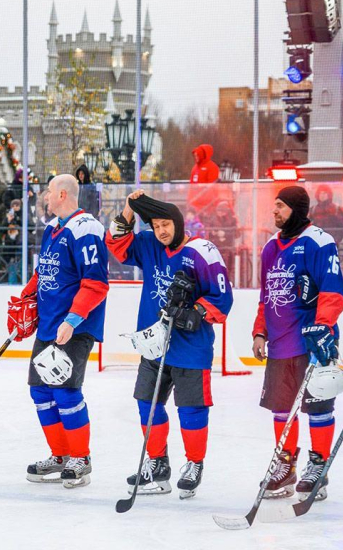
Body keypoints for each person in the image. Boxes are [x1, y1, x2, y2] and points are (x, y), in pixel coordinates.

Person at [105, 190, 233, 499]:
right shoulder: (149, 245)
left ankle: (194, 464)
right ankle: (158, 464)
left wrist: (195, 312)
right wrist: (128, 209)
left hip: (191, 348)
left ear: (177, 222)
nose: (161, 231)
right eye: (156, 226)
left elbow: (223, 296)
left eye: (166, 225)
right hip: (154, 345)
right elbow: (117, 246)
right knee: (146, 405)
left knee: (191, 410)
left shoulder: (201, 250)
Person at [8, 174, 108, 488]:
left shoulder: (86, 229)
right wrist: (25, 299)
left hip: (73, 328)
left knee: (65, 390)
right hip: (49, 325)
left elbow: (96, 283)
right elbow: (43, 272)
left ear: (62, 194)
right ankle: (60, 454)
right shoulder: (53, 229)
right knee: (40, 390)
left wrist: (73, 319)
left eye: (48, 192)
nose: (45, 197)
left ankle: (81, 457)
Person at [253, 186, 343, 501]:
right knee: (282, 409)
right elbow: (265, 296)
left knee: (318, 406)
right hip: (280, 344)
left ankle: (318, 466)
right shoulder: (270, 247)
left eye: (280, 206)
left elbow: (333, 289)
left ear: (296, 208)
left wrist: (323, 326)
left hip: (312, 342)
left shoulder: (319, 241)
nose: (275, 211)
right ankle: (286, 465)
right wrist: (260, 331)